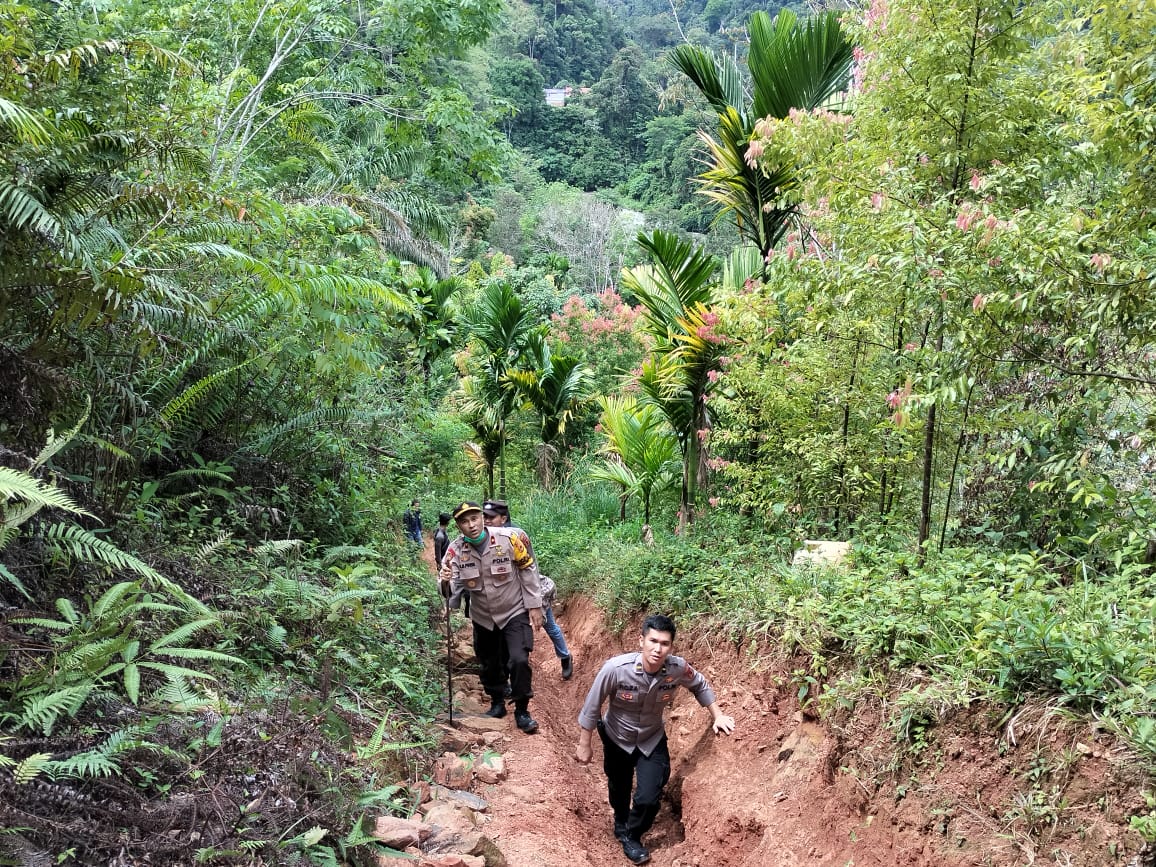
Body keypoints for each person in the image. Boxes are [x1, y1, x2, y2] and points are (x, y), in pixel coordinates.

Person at [575, 614, 735, 865]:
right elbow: (592, 705)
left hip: (651, 738)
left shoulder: (677, 669)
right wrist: (584, 743)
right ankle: (620, 818)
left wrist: (718, 715)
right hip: (617, 736)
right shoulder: (615, 669)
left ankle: (632, 836)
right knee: (619, 786)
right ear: (642, 640)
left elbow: (700, 685)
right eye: (653, 641)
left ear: (671, 647)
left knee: (648, 797)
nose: (658, 649)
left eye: (665, 643)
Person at [440, 501, 544, 734]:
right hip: (483, 615)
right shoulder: (455, 551)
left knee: (518, 660)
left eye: (474, 519)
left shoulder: (509, 540)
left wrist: (535, 605)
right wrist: (445, 582)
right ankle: (497, 702)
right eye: (465, 522)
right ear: (458, 526)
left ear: (481, 519)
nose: (471, 525)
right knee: (489, 662)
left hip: (513, 610)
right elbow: (450, 587)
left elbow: (528, 569)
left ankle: (522, 710)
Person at [483, 499, 573, 680]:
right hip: (508, 594)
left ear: (503, 518)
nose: (486, 520)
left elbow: (530, 566)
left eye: (490, 517)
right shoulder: (484, 537)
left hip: (531, 588)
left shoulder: (516, 535)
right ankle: (508, 675)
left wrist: (535, 598)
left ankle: (565, 656)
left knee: (549, 625)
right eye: (484, 516)